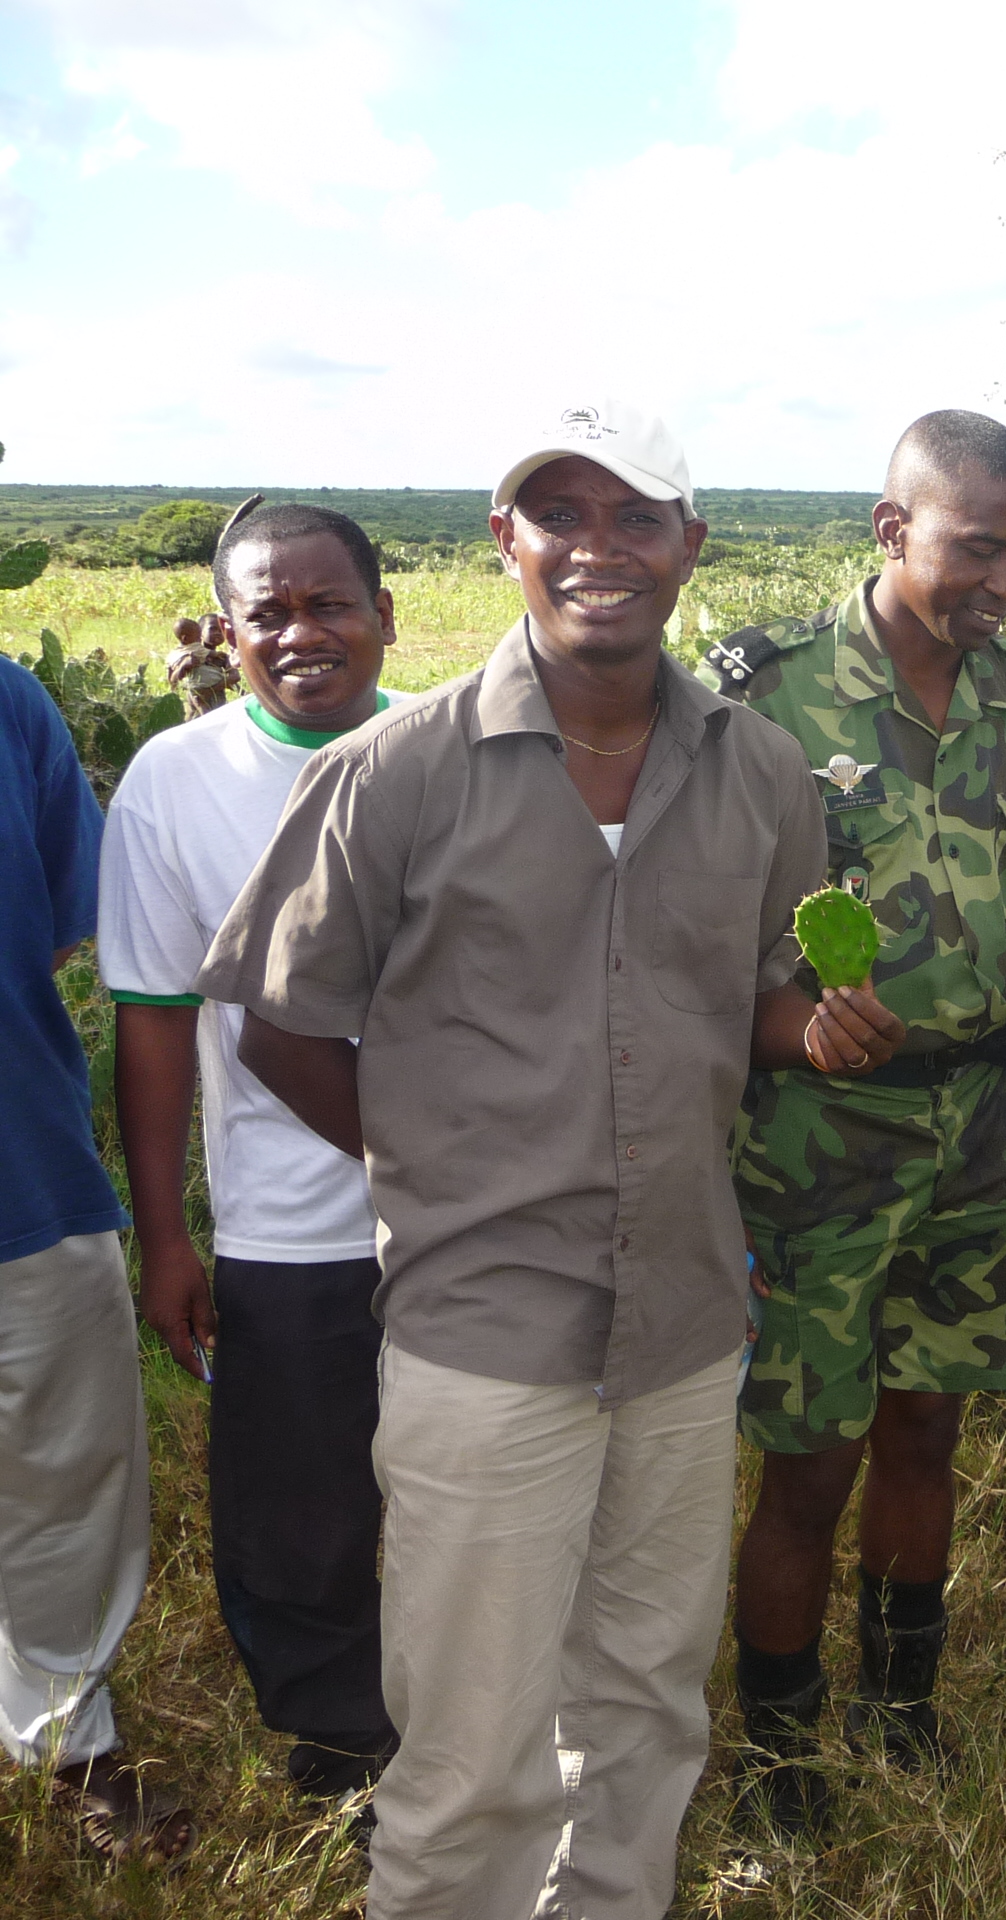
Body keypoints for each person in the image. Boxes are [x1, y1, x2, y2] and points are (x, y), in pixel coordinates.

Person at [199, 399, 837, 1920]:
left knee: (645, 1710)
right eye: (562, 515)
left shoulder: (763, 776)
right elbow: (283, 1029)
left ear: (692, 545)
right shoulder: (396, 771)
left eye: (636, 518)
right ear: (507, 544)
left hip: (685, 1326)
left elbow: (757, 1006)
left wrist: (822, 1033)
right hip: (485, 1333)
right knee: (473, 1753)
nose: (597, 549)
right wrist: (433, 1164)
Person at [705, 410, 1006, 1834]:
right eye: (980, 549)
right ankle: (783, 1757)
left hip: (975, 1129)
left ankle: (900, 1714)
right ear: (893, 527)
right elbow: (690, 935)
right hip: (812, 1142)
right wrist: (787, 1027)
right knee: (809, 1463)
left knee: (925, 1435)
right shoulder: (760, 698)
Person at [102, 501, 402, 1806]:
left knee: (479, 1489)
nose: (303, 632)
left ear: (385, 614)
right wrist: (170, 1234)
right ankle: (338, 1747)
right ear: (228, 632)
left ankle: (480, 1717)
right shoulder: (177, 779)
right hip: (286, 1226)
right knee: (300, 1507)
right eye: (269, 611)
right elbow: (159, 1016)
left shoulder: (456, 749)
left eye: (330, 602)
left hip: (471, 1218)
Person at [0, 653, 195, 1867]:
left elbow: (70, 924)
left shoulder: (8, 701)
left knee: (66, 1469)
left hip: (21, 1162)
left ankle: (65, 1734)